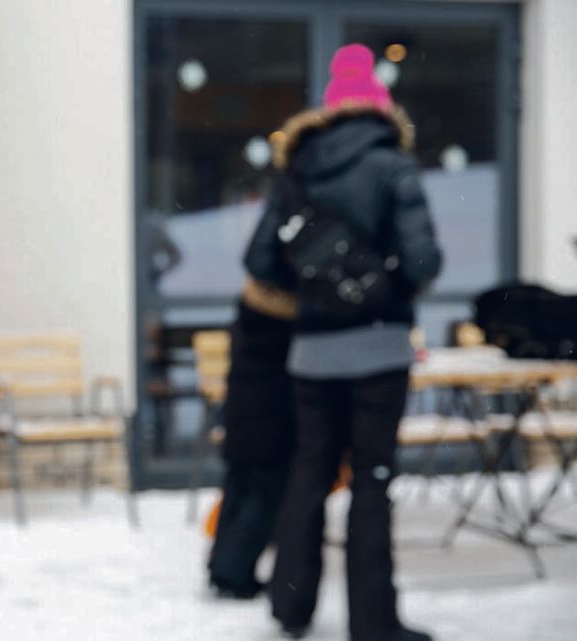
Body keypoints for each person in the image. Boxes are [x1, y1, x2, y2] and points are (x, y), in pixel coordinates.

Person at [244, 44, 443, 641]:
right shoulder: (393, 166)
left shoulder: (296, 169)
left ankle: (291, 605)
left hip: (310, 353)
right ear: (383, 111)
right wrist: (382, 291)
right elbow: (425, 260)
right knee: (371, 481)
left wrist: (313, 294)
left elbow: (258, 260)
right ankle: (373, 622)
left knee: (309, 472)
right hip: (379, 350)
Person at [206, 277, 296, 599]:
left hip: (243, 421)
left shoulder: (249, 317)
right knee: (262, 496)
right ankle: (235, 572)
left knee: (238, 491)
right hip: (267, 424)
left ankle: (222, 568)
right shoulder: (279, 329)